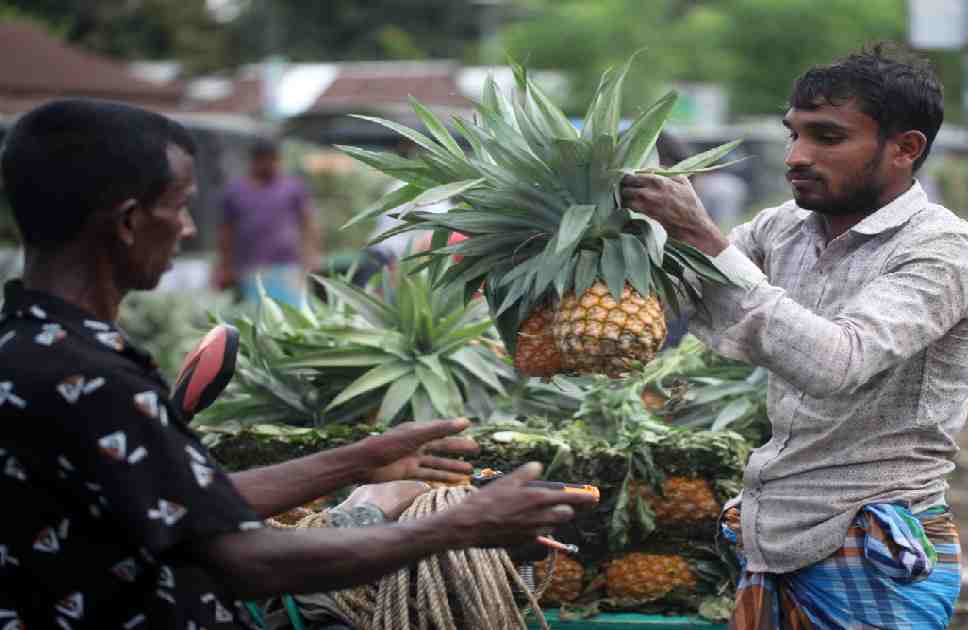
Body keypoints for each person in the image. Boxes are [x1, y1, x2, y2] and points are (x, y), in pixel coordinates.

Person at [0, 99, 594, 629]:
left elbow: (188, 502)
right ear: (128, 222)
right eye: (179, 207)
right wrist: (458, 527)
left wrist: (364, 457)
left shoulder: (33, 347)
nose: (186, 228)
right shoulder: (90, 378)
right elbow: (244, 561)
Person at [621, 45, 968, 629]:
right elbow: (678, 296)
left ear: (905, 149)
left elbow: (836, 364)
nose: (796, 156)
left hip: (874, 546)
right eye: (793, 134)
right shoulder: (784, 229)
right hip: (770, 535)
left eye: (827, 138)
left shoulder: (945, 251)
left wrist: (701, 232)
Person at [215, 139, 320, 307]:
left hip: (289, 267)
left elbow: (308, 223)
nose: (269, 164)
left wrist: (312, 256)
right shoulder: (235, 191)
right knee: (259, 317)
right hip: (251, 269)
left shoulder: (293, 188)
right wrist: (224, 266)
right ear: (255, 160)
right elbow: (226, 231)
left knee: (294, 315)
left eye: (273, 159)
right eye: (264, 159)